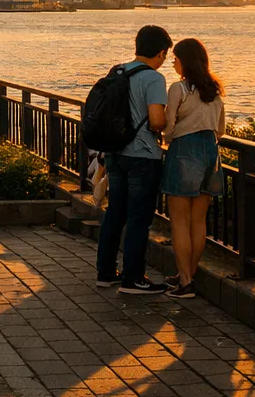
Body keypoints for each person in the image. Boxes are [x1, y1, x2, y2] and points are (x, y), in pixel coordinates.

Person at [96, 24, 172, 296]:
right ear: (161, 52)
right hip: (142, 157)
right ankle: (133, 278)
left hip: (115, 153)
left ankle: (105, 273)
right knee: (139, 218)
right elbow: (156, 120)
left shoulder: (118, 71)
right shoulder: (153, 79)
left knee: (115, 212)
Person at [162, 37, 225, 299]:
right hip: (211, 153)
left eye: (176, 58)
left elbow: (168, 128)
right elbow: (220, 130)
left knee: (179, 221)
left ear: (185, 61)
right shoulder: (215, 91)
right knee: (198, 221)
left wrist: (168, 135)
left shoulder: (179, 89)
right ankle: (189, 272)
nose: (173, 62)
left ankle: (185, 281)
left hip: (185, 152)